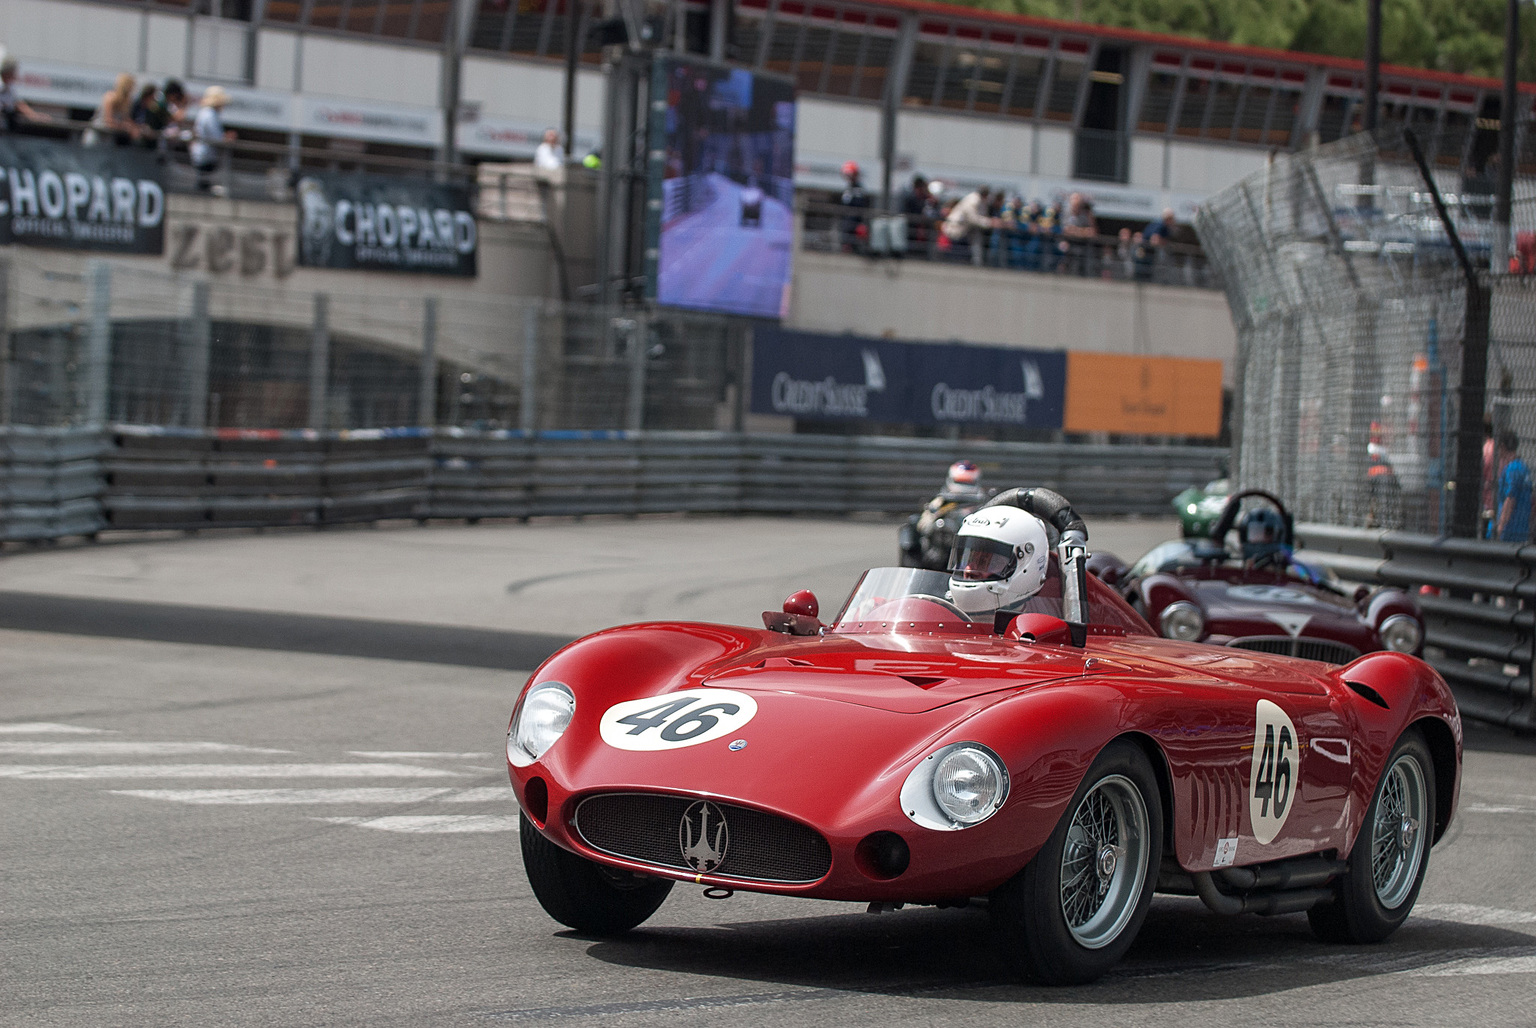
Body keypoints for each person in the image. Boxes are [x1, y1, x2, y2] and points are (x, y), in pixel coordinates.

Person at [946, 505, 1052, 619]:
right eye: (967, 558)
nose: (967, 570)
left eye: (986, 561)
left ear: (1026, 564)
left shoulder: (1037, 629)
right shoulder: (940, 615)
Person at [190, 85, 235, 193]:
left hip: (203, 153)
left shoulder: (205, 113)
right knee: (204, 186)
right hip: (205, 155)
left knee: (204, 182)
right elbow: (216, 137)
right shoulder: (210, 115)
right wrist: (226, 138)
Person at [1492, 432, 1531, 543]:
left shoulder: (1511, 469)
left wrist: (1501, 526)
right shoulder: (1523, 467)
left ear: (1502, 447)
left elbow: (1510, 499)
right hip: (1523, 528)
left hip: (1510, 530)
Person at [942, 185, 997, 266]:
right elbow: (973, 219)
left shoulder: (980, 201)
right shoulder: (972, 201)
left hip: (964, 231)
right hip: (955, 230)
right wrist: (990, 222)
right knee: (954, 259)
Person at [90, 72, 139, 146]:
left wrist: (134, 128)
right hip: (97, 134)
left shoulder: (127, 102)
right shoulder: (110, 98)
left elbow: (126, 119)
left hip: (109, 137)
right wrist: (125, 127)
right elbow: (109, 121)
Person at [0, 50, 43, 132]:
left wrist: (34, 115)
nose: (15, 74)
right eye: (13, 72)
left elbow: (17, 103)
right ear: (7, 72)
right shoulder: (2, 86)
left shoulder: (9, 87)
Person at [1060, 191, 1097, 275]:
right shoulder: (1066, 212)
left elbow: (1092, 232)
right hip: (1069, 242)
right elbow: (1066, 230)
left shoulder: (1086, 214)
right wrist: (1083, 232)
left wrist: (1075, 231)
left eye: (1078, 204)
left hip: (1082, 244)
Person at [837, 160, 870, 252]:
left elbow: (860, 206)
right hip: (847, 223)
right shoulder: (849, 188)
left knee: (854, 247)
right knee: (845, 245)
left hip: (854, 224)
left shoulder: (858, 189)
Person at [1139, 207, 1176, 281]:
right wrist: (1163, 243)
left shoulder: (1163, 226)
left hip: (1150, 251)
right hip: (1147, 250)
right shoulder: (1160, 225)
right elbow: (1154, 240)